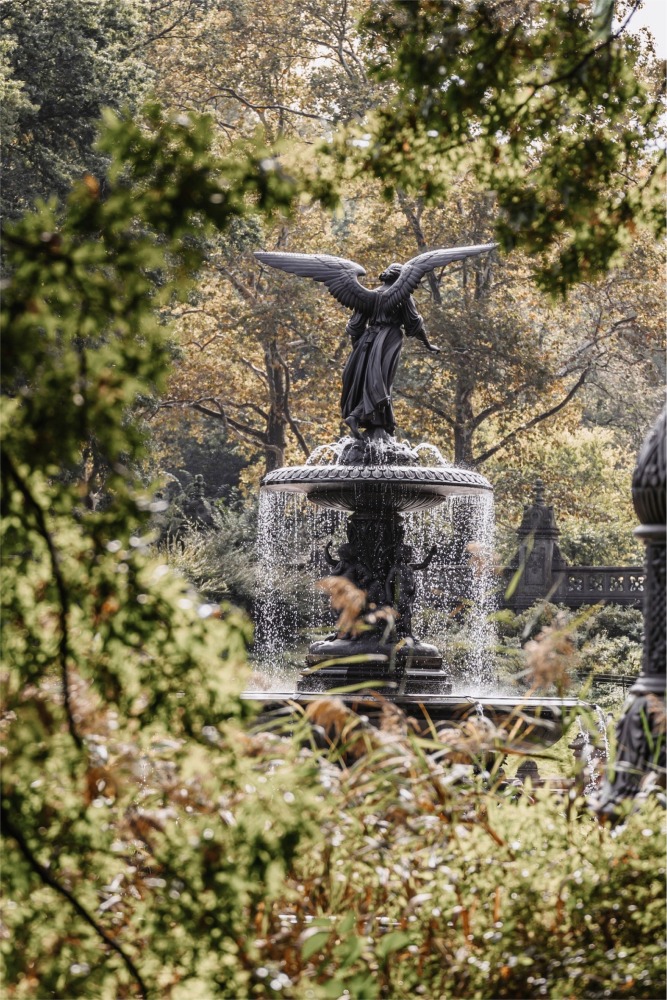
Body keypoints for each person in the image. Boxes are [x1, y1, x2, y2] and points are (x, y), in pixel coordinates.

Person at [341, 264, 440, 438]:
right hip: (389, 339)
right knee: (382, 382)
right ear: (401, 278)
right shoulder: (402, 295)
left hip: (367, 340)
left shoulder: (367, 297)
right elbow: (414, 323)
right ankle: (357, 415)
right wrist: (428, 344)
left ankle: (382, 421)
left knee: (372, 380)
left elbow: (355, 327)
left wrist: (358, 351)